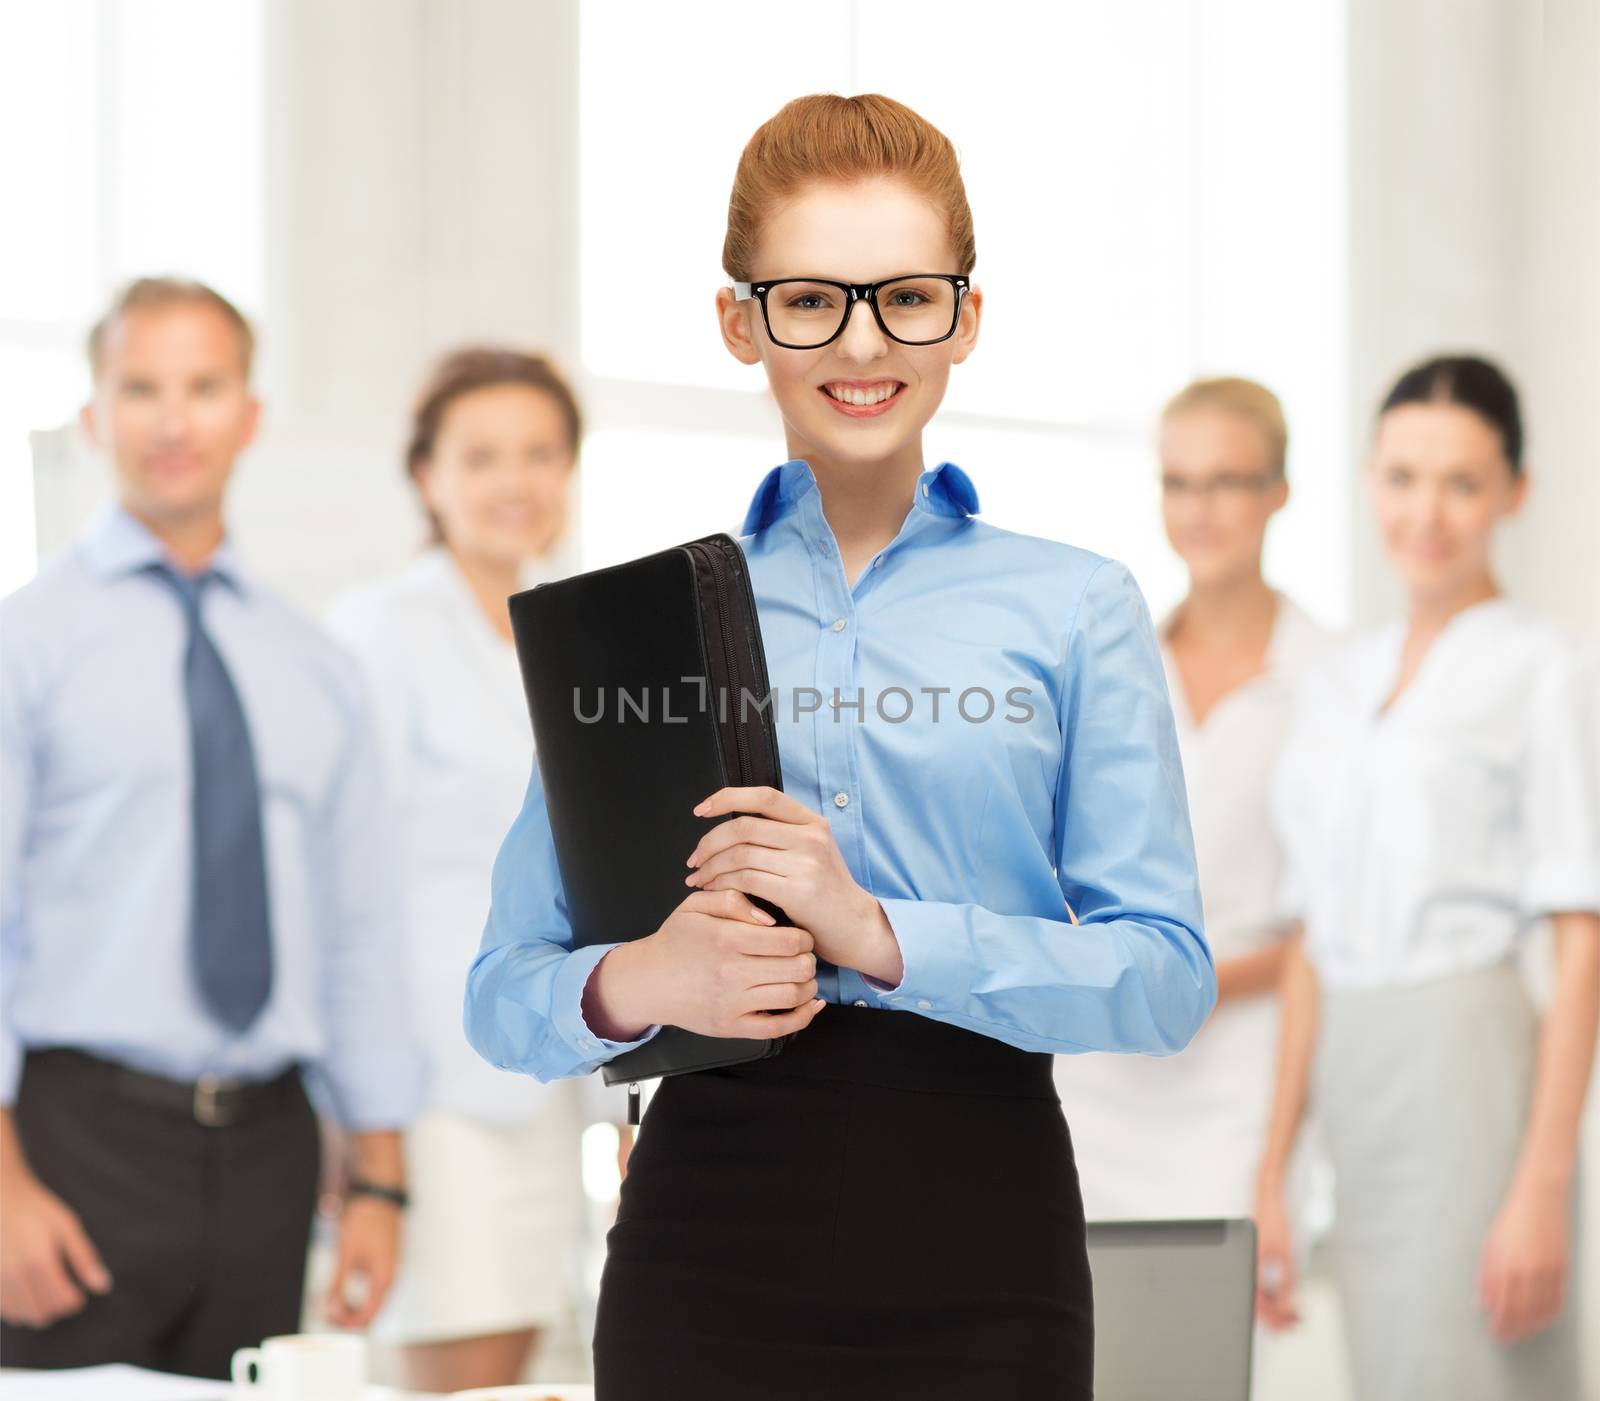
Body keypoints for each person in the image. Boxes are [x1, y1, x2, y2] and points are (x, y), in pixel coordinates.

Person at [463, 94, 1216, 1400]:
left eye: (907, 297)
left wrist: (878, 931)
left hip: (986, 1236)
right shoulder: (641, 625)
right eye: (811, 298)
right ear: (739, 319)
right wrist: (647, 977)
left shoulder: (1076, 607)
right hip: (703, 1238)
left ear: (966, 316)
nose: (862, 341)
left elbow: (1163, 978)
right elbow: (502, 995)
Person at [0, 277, 424, 1377]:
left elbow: (360, 931)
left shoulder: (316, 668)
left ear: (251, 415)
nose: (173, 420)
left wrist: (379, 1178)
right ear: (94, 416)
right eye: (140, 387)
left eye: (203, 386)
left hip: (271, 1155)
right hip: (72, 1145)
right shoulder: (27, 646)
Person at [1253, 354, 1600, 1401]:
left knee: (1476, 1371)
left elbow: (1580, 931)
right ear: (1366, 480)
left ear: (1513, 493)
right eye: (1402, 477)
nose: (1427, 512)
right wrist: (1275, 1170)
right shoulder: (1335, 683)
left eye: (1461, 482)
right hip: (1355, 1077)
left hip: (1470, 1071)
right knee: (1392, 1372)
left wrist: (1542, 1185)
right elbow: (1311, 936)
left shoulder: (1541, 668)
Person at [324, 347, 592, 1393]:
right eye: (481, 455)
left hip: (547, 1072)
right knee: (456, 1377)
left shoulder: (569, 627)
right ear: (426, 476)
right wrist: (360, 1129)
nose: (513, 480)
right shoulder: (379, 630)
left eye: (539, 452)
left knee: (517, 1367)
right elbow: (348, 886)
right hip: (430, 1088)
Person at [1056, 377, 1328, 1222]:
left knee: (1216, 1336)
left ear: (1278, 492)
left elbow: (1326, 930)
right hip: (1098, 1071)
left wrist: (1186, 978)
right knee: (1085, 1343)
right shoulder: (1102, 661)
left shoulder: (1332, 679)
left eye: (1226, 481)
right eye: (1179, 482)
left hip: (1238, 1077)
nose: (1199, 508)